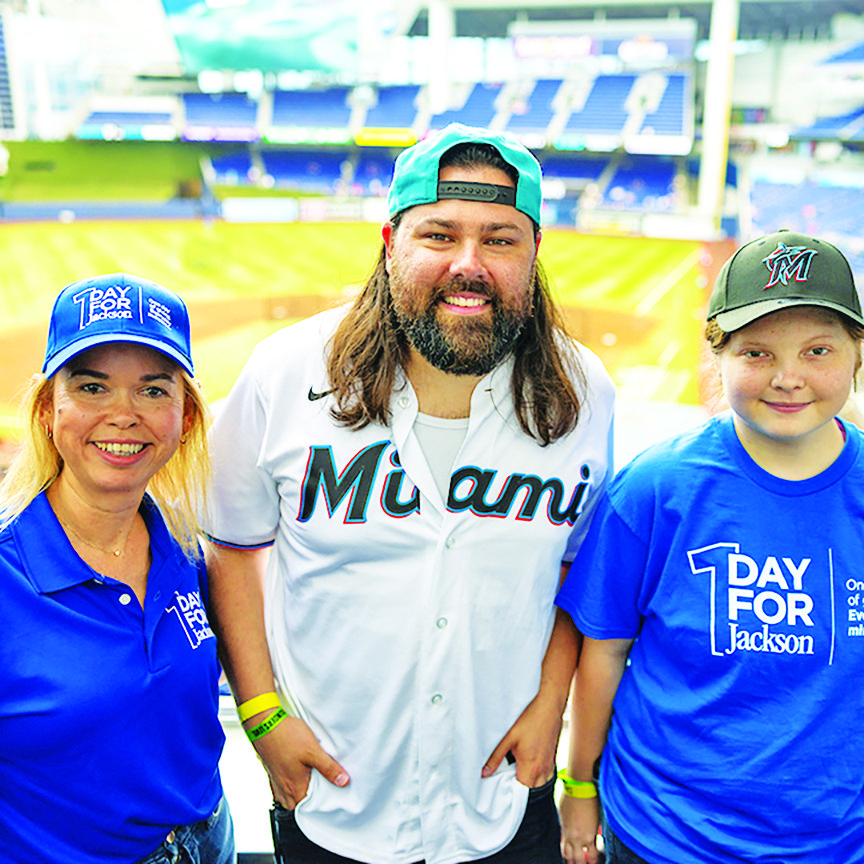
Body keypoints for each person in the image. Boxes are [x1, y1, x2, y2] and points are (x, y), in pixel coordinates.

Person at [203, 123, 615, 864]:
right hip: (330, 795)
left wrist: (550, 705)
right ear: (391, 242)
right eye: (439, 235)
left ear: (534, 252)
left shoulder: (584, 392)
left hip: (501, 795)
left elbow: (574, 569)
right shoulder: (284, 372)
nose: (469, 264)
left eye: (499, 239)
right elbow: (233, 548)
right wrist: (261, 717)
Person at [556, 230, 864, 864]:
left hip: (834, 840)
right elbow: (604, 652)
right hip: (664, 834)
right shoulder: (657, 487)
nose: (788, 378)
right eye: (756, 352)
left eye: (818, 350)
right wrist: (580, 785)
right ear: (716, 356)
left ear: (856, 354)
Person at [0, 274, 234, 864]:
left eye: (153, 390)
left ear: (185, 418)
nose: (123, 415)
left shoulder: (187, 547)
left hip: (210, 840)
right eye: (92, 387)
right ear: (48, 410)